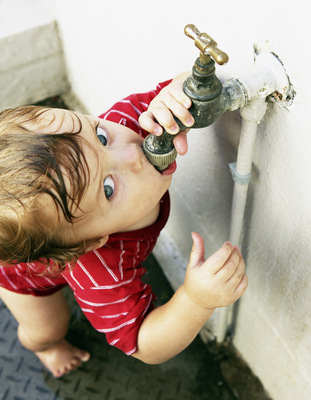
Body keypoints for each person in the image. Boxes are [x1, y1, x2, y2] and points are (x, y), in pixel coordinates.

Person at [0, 72, 248, 378]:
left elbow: (177, 90)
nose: (132, 150)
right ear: (90, 241)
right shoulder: (100, 273)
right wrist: (195, 300)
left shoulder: (128, 123)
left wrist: (179, 97)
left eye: (101, 135)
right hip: (20, 276)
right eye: (108, 188)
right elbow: (143, 342)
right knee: (47, 327)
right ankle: (44, 348)